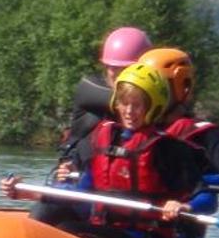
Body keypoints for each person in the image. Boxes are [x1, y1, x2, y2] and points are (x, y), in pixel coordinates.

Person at [5, 60, 207, 238]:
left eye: (137, 105)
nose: (129, 111)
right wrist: (28, 193)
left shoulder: (167, 149)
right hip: (109, 228)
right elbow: (81, 192)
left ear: (152, 106)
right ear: (116, 104)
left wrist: (184, 207)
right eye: (124, 103)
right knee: (48, 214)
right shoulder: (105, 140)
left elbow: (206, 196)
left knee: (69, 230)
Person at [138, 46, 219, 187]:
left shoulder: (207, 135)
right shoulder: (135, 128)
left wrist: (194, 180)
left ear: (181, 86)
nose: (148, 95)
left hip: (184, 205)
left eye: (156, 88)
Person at [57, 26, 155, 172]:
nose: (114, 73)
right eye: (111, 67)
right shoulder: (89, 88)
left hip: (121, 175)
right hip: (75, 172)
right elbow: (124, 99)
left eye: (123, 68)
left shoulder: (149, 99)